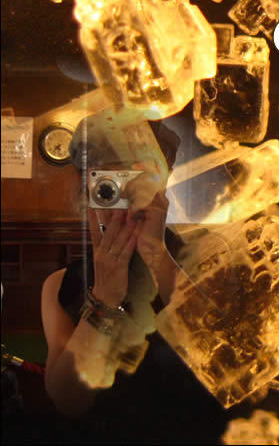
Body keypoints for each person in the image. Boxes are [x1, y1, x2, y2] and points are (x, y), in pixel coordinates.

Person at [38, 116, 194, 423]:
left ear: (161, 189)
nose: (122, 205)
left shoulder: (204, 260)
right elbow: (68, 401)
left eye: (134, 188)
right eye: (107, 189)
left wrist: (157, 256)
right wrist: (104, 297)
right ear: (87, 193)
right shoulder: (60, 285)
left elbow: (218, 353)